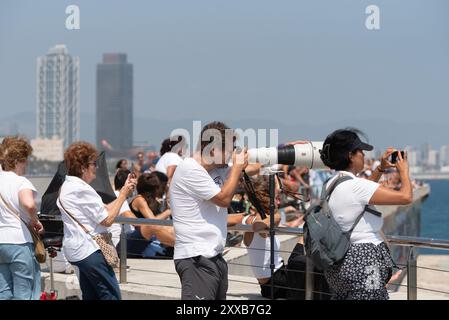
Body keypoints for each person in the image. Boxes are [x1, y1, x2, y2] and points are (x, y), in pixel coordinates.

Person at [317, 128, 412, 300]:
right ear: (350, 156)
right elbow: (406, 197)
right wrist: (404, 171)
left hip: (339, 264)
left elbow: (362, 195)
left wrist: (381, 168)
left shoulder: (331, 183)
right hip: (365, 262)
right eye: (360, 151)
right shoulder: (356, 186)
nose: (363, 155)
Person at [169, 121, 249, 300]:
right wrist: (237, 167)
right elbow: (224, 199)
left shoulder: (215, 170)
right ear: (213, 151)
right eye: (229, 150)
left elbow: (249, 168)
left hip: (214, 256)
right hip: (196, 257)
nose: (231, 156)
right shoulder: (190, 169)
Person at [56, 142, 136, 300]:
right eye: (94, 163)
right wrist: (122, 195)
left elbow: (104, 209)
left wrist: (123, 192)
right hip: (90, 250)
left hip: (76, 251)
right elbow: (107, 220)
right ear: (82, 167)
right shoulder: (82, 189)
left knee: (91, 295)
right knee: (110, 295)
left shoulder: (67, 186)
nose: (97, 167)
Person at [0, 136, 44, 300]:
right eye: (26, 160)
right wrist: (35, 220)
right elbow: (30, 204)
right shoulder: (20, 181)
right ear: (19, 159)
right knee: (25, 293)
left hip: (1, 243)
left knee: (3, 293)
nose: (27, 164)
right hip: (19, 242)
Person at [125, 172, 175, 258]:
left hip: (148, 238)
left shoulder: (151, 200)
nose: (161, 190)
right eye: (159, 187)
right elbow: (153, 221)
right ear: (153, 190)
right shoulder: (140, 200)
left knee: (173, 229)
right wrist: (168, 212)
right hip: (137, 238)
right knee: (166, 228)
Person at [109, 169, 136, 247]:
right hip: (121, 242)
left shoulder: (114, 195)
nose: (134, 190)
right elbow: (131, 219)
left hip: (120, 240)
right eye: (133, 186)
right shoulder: (119, 195)